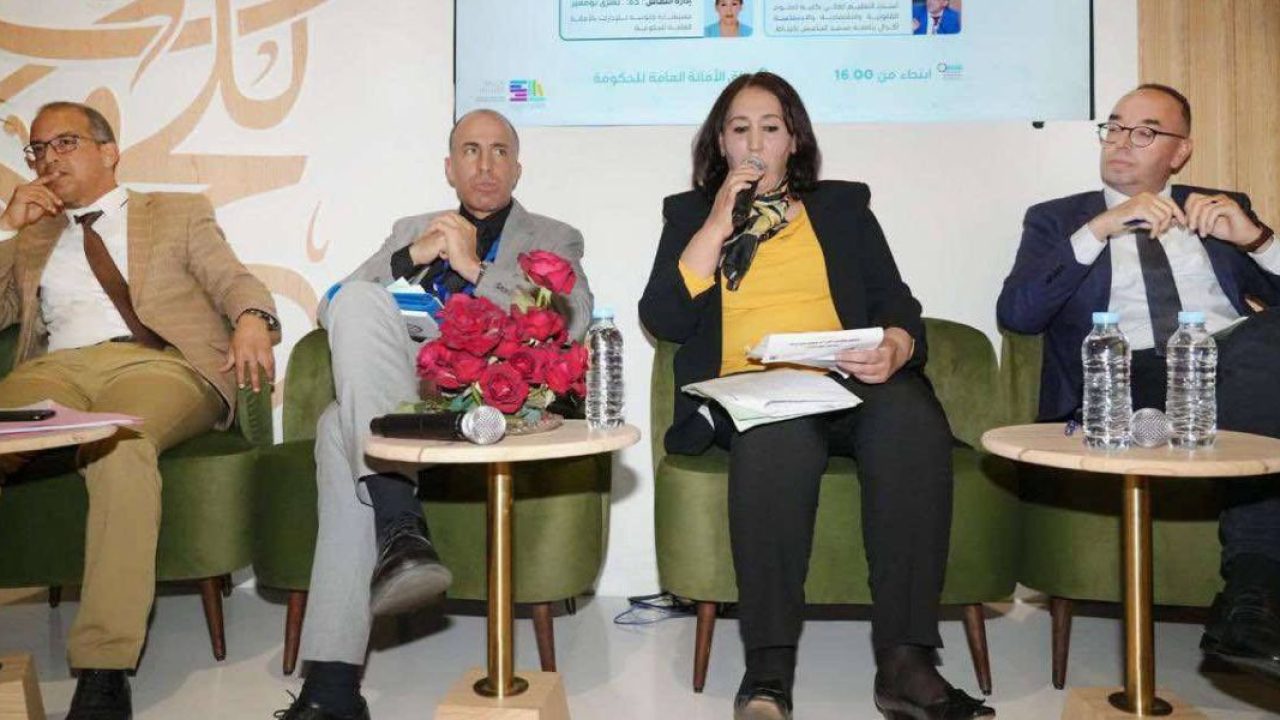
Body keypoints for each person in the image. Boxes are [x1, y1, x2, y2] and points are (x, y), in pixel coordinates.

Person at [639, 72, 992, 720]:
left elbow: (895, 301)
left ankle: (906, 664)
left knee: (909, 417)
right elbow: (664, 317)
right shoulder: (689, 216)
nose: (755, 143)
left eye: (770, 128)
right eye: (740, 128)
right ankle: (768, 671)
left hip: (848, 377)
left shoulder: (842, 208)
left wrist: (896, 345)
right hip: (755, 387)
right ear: (720, 143)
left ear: (793, 140)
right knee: (778, 440)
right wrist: (718, 221)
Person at [277, 109, 593, 720]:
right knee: (358, 311)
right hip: (405, 399)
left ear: (517, 168)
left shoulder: (555, 237)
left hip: (496, 405)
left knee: (337, 428)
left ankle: (333, 686)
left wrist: (476, 268)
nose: (485, 164)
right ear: (450, 167)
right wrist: (411, 256)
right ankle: (400, 531)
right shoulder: (411, 229)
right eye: (471, 150)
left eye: (499, 151)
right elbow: (332, 307)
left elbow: (570, 320)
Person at [0, 101, 279, 720]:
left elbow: (232, 278)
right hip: (54, 370)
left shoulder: (176, 212)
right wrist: (6, 228)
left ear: (109, 151)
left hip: (156, 366)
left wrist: (253, 318)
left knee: (119, 447)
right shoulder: (33, 235)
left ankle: (103, 668)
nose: (48, 158)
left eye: (64, 142)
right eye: (38, 149)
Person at [998, 83, 1280, 678]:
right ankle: (1252, 596)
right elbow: (1018, 314)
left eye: (1146, 132)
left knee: (1265, 341)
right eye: (1115, 126)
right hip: (1124, 379)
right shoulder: (1058, 219)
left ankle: (1248, 595)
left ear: (1181, 151)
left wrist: (1256, 239)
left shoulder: (1219, 207)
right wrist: (1098, 229)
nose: (1122, 141)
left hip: (1229, 365)